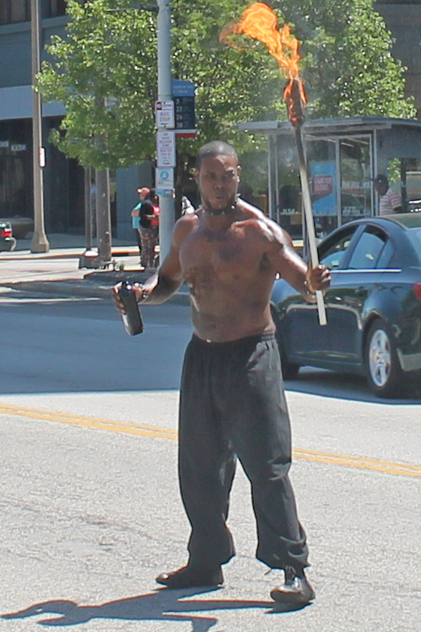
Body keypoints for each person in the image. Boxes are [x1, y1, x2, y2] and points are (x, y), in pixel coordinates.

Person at [113, 141, 330, 605]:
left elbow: (298, 278)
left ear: (238, 176)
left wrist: (312, 284)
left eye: (227, 175)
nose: (218, 183)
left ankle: (292, 568)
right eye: (210, 175)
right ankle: (206, 559)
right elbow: (167, 280)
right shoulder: (187, 230)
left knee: (266, 466)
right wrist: (141, 292)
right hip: (202, 357)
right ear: (198, 178)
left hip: (251, 355)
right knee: (199, 467)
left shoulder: (259, 231)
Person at [138, 189, 159, 270]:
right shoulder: (146, 203)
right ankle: (145, 264)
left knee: (152, 246)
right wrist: (152, 217)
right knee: (147, 246)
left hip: (154, 228)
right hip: (146, 227)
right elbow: (142, 215)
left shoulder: (157, 204)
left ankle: (151, 264)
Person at [131, 187, 149, 261]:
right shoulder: (141, 203)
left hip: (141, 226)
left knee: (143, 244)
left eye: (141, 194)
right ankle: (144, 259)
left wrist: (135, 213)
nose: (140, 195)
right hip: (138, 226)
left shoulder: (145, 203)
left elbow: (135, 213)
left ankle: (145, 260)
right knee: (141, 244)